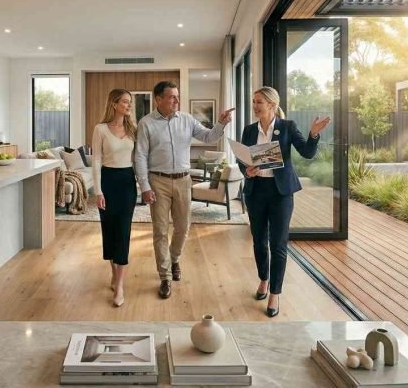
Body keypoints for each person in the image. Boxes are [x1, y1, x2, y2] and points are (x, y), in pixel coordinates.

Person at [135, 81, 234, 299]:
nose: (176, 100)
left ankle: (174, 258)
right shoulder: (146, 123)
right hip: (158, 181)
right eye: (171, 97)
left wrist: (221, 123)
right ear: (158, 99)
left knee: (182, 227)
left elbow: (209, 137)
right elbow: (140, 155)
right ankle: (165, 276)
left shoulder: (187, 119)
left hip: (183, 180)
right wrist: (144, 186)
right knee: (160, 231)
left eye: (177, 96)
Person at [239, 87, 330, 317]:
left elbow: (307, 153)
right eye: (254, 101)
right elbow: (242, 160)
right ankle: (263, 279)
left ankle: (275, 293)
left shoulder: (287, 127)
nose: (255, 105)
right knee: (259, 241)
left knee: (278, 244)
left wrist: (314, 134)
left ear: (271, 104)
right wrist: (247, 170)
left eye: (259, 101)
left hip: (280, 193)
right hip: (255, 190)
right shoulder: (249, 130)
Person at [92, 88, 137, 307]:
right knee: (109, 231)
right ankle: (113, 272)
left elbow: (138, 159)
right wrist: (98, 191)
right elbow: (96, 161)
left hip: (127, 182)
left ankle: (119, 286)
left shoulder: (133, 129)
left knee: (123, 231)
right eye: (126, 102)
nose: (129, 105)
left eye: (130, 102)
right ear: (114, 104)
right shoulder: (100, 129)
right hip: (108, 182)